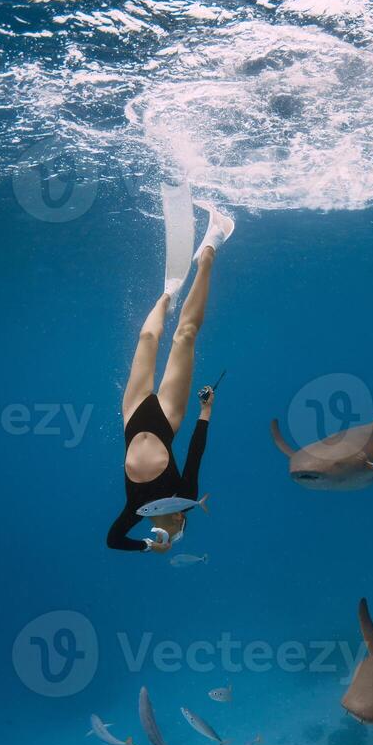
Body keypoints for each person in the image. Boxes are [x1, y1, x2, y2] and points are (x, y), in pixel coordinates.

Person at [107, 203, 234, 553]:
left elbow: (113, 540)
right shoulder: (184, 497)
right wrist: (206, 411)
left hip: (132, 415)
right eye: (169, 533)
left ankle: (168, 294)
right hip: (167, 419)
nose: (159, 529)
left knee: (147, 339)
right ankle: (209, 251)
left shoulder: (136, 512)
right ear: (178, 519)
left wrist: (148, 546)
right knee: (185, 335)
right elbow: (195, 454)